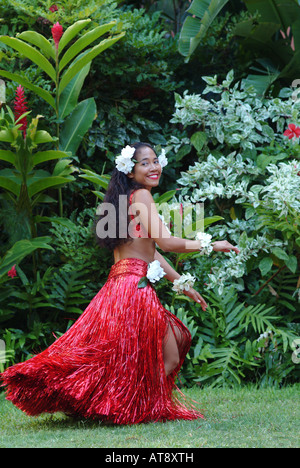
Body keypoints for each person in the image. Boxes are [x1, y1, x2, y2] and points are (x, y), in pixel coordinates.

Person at [0, 142, 240, 425]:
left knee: (132, 355)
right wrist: (212, 244)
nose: (153, 167)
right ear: (130, 171)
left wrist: (181, 284)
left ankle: (123, 405)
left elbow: (152, 251)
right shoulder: (141, 197)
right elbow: (166, 242)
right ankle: (131, 407)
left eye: (155, 161)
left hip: (120, 286)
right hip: (132, 289)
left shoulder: (126, 201)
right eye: (145, 163)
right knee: (165, 356)